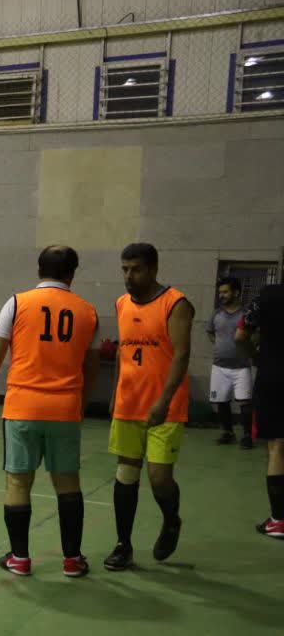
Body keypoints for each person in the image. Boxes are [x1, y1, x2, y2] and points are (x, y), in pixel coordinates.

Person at [0, 245, 99, 578]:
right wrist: (81, 404)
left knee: (18, 481)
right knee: (67, 482)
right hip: (65, 409)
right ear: (72, 273)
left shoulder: (16, 303)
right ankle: (72, 560)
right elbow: (92, 366)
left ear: (39, 270)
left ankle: (20, 558)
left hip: (23, 408)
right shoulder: (88, 312)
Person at [104, 242, 193, 570]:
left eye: (136, 269)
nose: (129, 276)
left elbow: (182, 355)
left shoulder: (176, 303)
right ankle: (123, 545)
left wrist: (164, 400)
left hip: (164, 407)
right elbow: (123, 352)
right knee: (126, 474)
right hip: (129, 403)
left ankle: (171, 520)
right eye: (125, 269)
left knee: (158, 477)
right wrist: (115, 392)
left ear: (153, 269)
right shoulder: (121, 303)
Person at [237, 284, 284, 539]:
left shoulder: (266, 296)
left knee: (277, 446)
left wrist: (256, 357)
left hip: (273, 377)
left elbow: (240, 336)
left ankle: (279, 521)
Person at [206, 276, 254, 448]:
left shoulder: (246, 314)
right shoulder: (217, 314)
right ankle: (228, 432)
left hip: (241, 367)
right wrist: (221, 345)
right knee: (221, 400)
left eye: (225, 292)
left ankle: (247, 436)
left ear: (236, 293)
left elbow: (254, 336)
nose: (222, 295)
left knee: (245, 401)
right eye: (220, 292)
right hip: (219, 366)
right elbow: (210, 332)